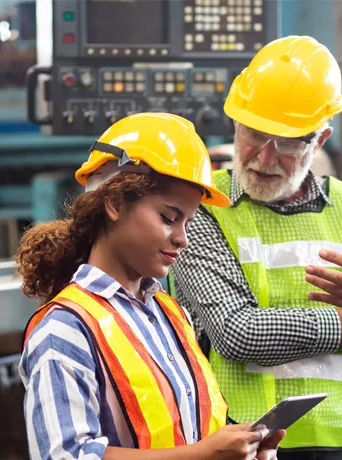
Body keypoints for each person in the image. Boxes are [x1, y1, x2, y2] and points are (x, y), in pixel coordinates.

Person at [169, 35, 342, 459]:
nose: (265, 158)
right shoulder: (205, 206)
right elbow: (238, 334)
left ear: (319, 141)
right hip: (241, 447)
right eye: (254, 134)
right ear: (236, 123)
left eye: (288, 142)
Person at [16, 113, 286, 460]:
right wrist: (203, 455)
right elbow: (65, 456)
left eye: (188, 222)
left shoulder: (170, 314)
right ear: (115, 204)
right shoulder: (65, 329)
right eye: (169, 218)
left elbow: (185, 438)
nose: (182, 239)